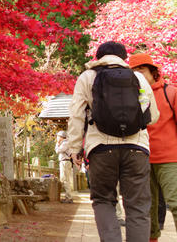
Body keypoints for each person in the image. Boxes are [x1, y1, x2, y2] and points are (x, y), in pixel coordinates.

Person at [67, 41, 159, 242]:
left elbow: (76, 115)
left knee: (103, 201)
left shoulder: (87, 77)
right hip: (136, 149)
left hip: (100, 149)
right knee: (137, 205)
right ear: (124, 58)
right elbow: (152, 116)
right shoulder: (138, 78)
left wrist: (74, 148)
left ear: (98, 58)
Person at [129, 53, 177, 242]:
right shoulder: (129, 96)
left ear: (152, 71)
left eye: (141, 69)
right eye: (133, 71)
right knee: (146, 207)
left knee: (175, 202)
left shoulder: (170, 92)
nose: (137, 74)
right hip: (140, 157)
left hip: (170, 158)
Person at [55, 130, 73, 203]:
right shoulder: (65, 143)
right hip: (65, 162)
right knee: (64, 180)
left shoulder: (65, 143)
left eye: (58, 136)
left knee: (65, 180)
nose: (57, 138)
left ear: (61, 137)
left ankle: (69, 197)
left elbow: (57, 150)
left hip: (65, 162)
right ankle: (67, 197)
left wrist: (57, 144)